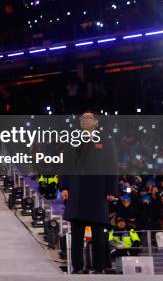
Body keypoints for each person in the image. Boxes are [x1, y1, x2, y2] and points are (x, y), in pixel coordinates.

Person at [59, 111, 118, 274]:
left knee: (98, 235)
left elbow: (112, 166)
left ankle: (99, 268)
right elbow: (66, 166)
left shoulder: (105, 141)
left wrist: (111, 190)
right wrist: (64, 186)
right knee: (77, 234)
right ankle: (78, 268)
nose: (84, 121)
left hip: (97, 193)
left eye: (88, 118)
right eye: (82, 118)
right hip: (77, 192)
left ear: (96, 122)